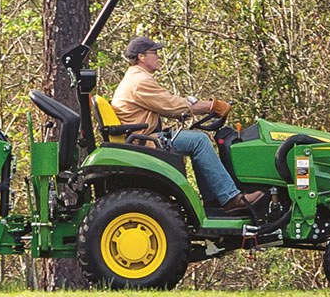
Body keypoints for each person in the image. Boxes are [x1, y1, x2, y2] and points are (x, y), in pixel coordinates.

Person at [111, 36, 264, 213]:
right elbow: (174, 106)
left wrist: (202, 107)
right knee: (198, 140)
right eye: (155, 53)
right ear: (141, 57)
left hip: (142, 137)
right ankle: (230, 198)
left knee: (196, 139)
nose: (159, 56)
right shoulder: (140, 82)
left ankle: (213, 201)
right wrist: (211, 106)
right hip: (144, 141)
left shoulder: (136, 78)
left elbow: (168, 103)